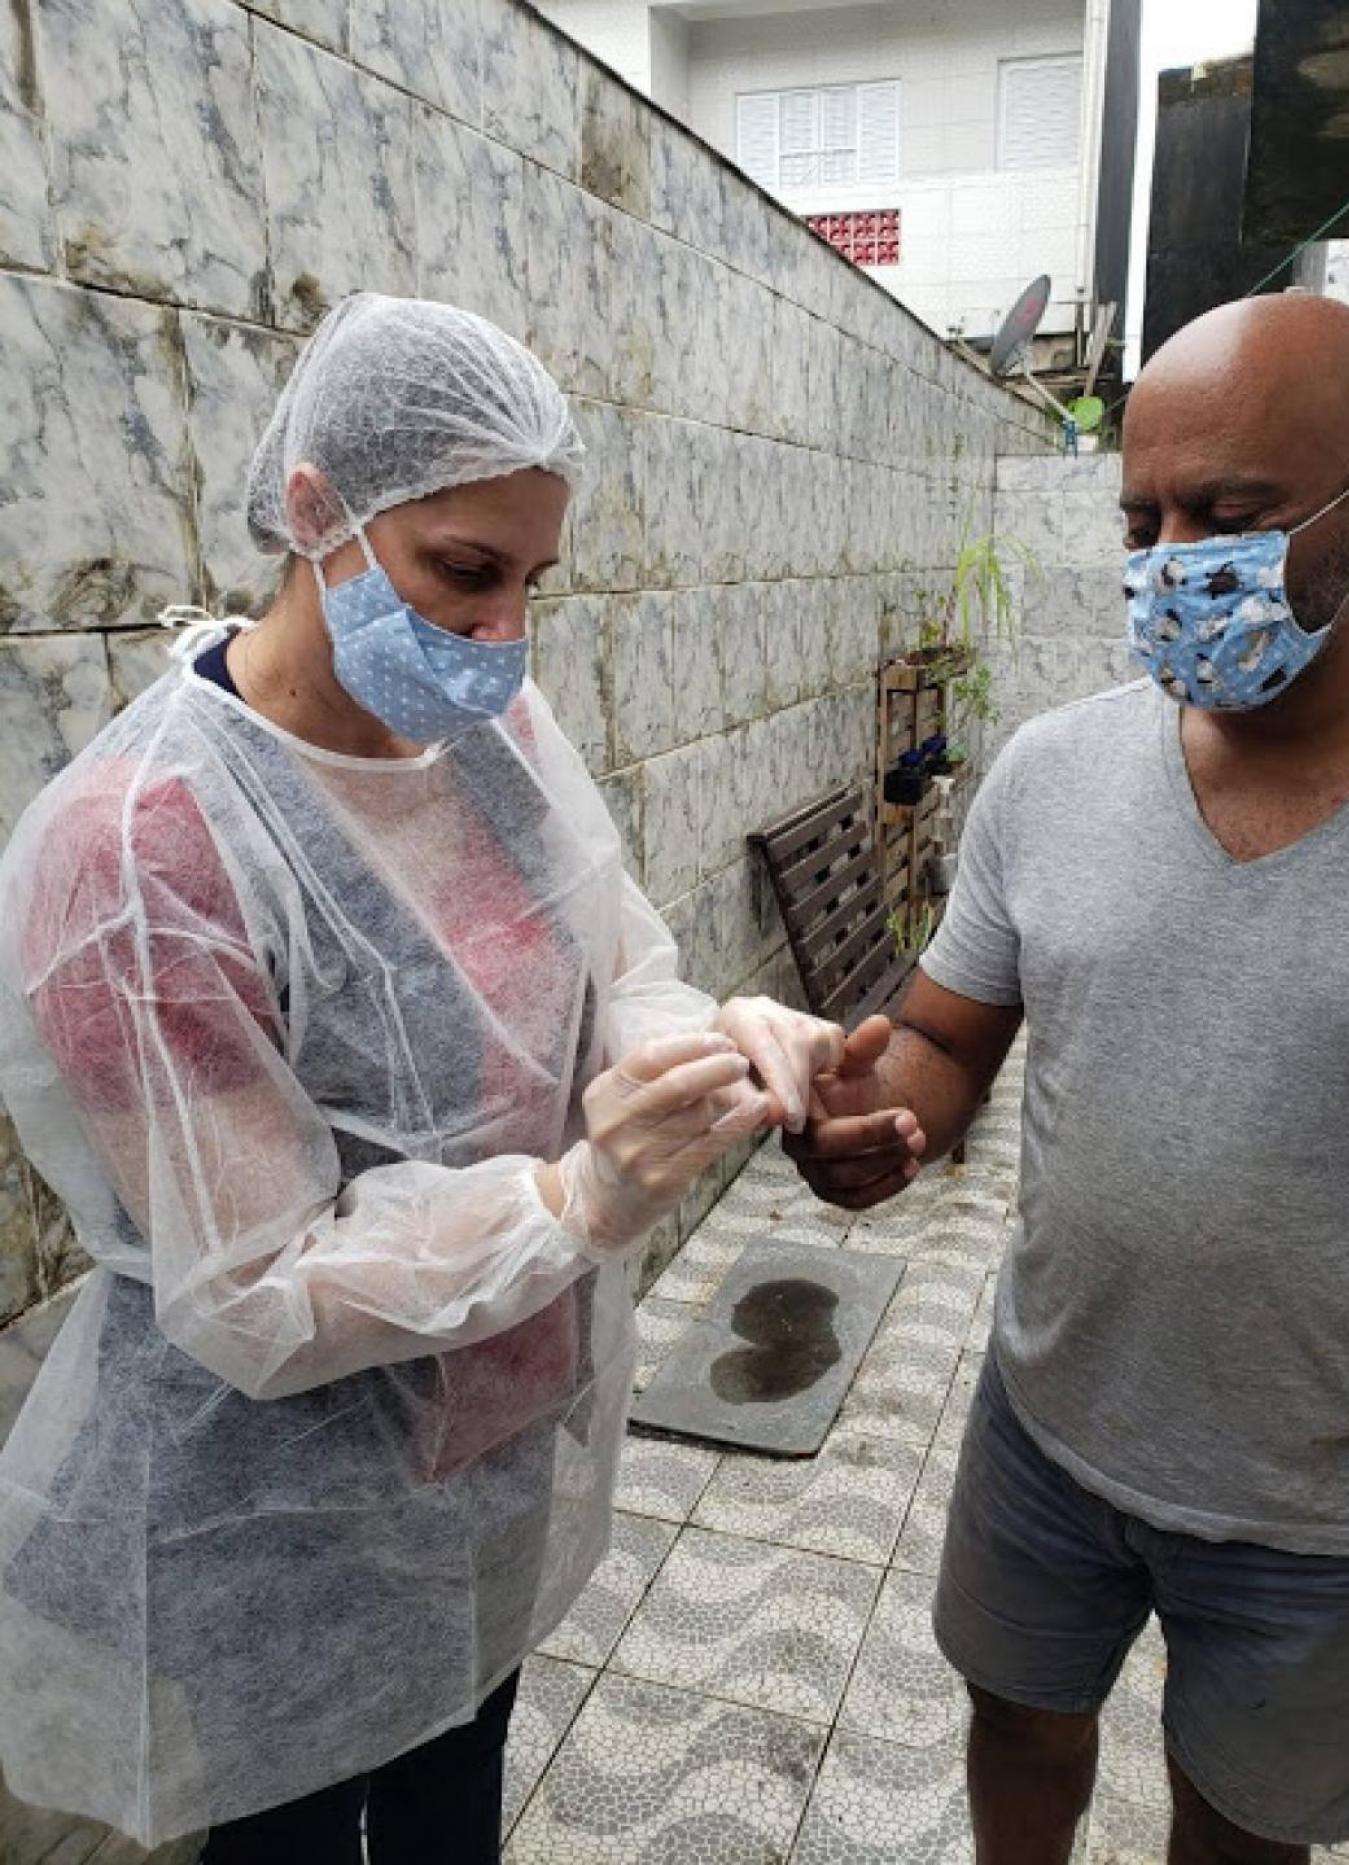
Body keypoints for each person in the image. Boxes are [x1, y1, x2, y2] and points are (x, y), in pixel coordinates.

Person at [0, 293, 845, 1860]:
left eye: (531, 583)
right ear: (314, 510)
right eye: (465, 570)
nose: (499, 633)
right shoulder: (142, 850)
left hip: (497, 1442)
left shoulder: (488, 725)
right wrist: (574, 1193)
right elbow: (259, 1290)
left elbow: (612, 964)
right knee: (299, 1838)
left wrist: (714, 1042)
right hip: (280, 1520)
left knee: (458, 1801)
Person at [788, 293, 1349, 1864]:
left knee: (1241, 1822)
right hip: (1047, 1424)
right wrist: (886, 1113)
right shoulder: (1053, 773)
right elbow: (952, 1031)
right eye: (1143, 518)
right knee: (1018, 1724)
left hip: (1325, 1511)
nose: (1173, 557)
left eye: (1231, 514)